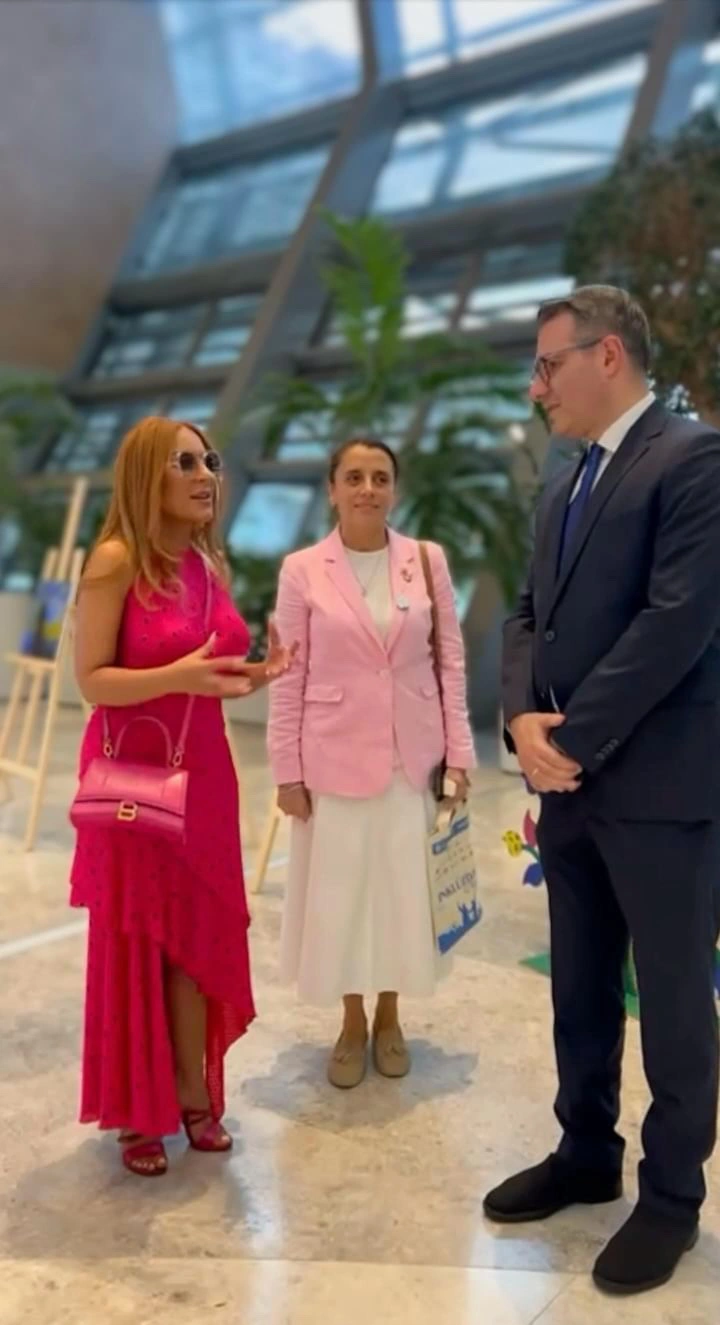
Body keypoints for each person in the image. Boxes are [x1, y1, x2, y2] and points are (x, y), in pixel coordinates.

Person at [485, 286, 720, 1295]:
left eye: (548, 365)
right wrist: (519, 722)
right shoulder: (568, 477)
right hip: (570, 790)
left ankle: (670, 1196)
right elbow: (524, 611)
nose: (536, 386)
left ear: (609, 355)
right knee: (578, 987)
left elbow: (679, 621)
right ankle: (586, 1151)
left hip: (659, 788)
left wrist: (570, 739)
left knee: (671, 1000)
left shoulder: (693, 458)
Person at [71, 416, 295, 1177]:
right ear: (147, 476)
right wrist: (179, 676)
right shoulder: (116, 560)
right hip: (134, 778)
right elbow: (92, 680)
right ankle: (141, 1110)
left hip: (203, 774)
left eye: (210, 461)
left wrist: (256, 673)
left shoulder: (206, 565)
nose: (206, 476)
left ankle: (192, 1092)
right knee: (141, 939)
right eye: (185, 463)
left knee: (195, 940)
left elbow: (211, 677)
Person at [267, 436, 475, 1088]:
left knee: (400, 896)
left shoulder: (425, 561)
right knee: (341, 900)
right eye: (354, 477)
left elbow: (450, 661)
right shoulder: (303, 569)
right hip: (333, 760)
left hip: (412, 759)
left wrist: (460, 756)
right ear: (332, 489)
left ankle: (390, 1014)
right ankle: (351, 1020)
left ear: (395, 489)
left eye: (380, 477)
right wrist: (286, 771)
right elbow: (286, 675)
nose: (367, 488)